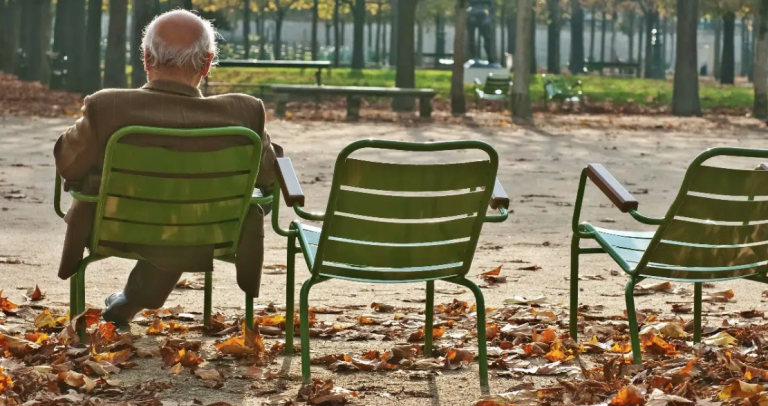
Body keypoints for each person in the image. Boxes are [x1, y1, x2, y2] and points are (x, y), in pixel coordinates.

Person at [53, 9, 279, 326]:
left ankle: (131, 300)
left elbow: (68, 165)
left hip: (116, 228)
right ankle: (133, 299)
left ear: (146, 59)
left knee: (169, 211)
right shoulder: (245, 113)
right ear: (207, 62)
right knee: (185, 212)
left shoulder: (108, 107)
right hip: (212, 229)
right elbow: (269, 177)